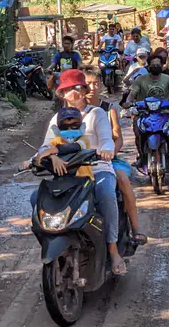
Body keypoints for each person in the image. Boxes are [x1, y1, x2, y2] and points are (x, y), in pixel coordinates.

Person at [23, 69, 127, 276]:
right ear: (62, 93)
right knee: (37, 199)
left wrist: (106, 150)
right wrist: (43, 158)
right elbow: (46, 146)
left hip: (97, 169)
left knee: (106, 194)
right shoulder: (56, 119)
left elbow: (106, 138)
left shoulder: (96, 113)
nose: (75, 92)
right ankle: (50, 241)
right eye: (70, 89)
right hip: (67, 175)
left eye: (79, 87)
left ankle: (113, 250)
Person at [83, 66, 147, 245]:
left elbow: (117, 137)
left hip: (106, 158)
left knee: (122, 179)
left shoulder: (108, 108)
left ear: (101, 84)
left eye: (96, 83)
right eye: (88, 84)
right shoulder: (75, 108)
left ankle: (135, 229)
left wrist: (110, 152)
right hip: (81, 160)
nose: (92, 87)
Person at [129, 55, 169, 168]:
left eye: (158, 65)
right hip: (144, 112)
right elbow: (132, 94)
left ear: (162, 66)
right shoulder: (141, 79)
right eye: (153, 65)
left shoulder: (167, 78)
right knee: (137, 129)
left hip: (164, 112)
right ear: (148, 66)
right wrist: (128, 102)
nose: (156, 67)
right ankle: (141, 155)